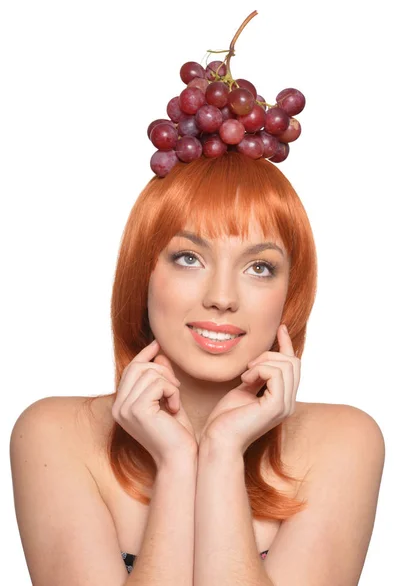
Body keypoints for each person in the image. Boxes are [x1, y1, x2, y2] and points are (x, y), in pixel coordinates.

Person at [10, 152, 385, 586]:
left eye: (259, 267)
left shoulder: (345, 441)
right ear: (142, 274)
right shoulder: (54, 433)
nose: (222, 296)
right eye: (189, 257)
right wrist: (176, 464)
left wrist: (222, 453)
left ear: (290, 292)